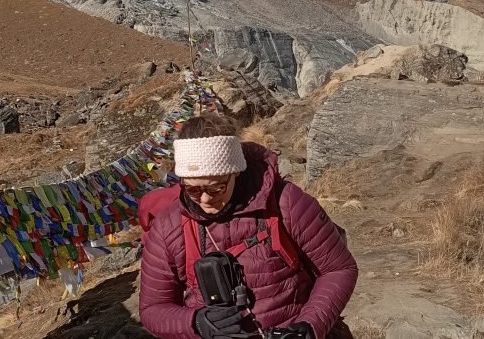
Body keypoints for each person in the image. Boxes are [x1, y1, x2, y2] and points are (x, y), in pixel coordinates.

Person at [139, 114, 358, 339]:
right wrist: (195, 323)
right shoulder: (169, 226)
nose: (204, 199)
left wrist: (310, 327)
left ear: (235, 171)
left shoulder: (286, 204)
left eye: (216, 188)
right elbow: (152, 308)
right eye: (193, 189)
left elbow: (338, 269)